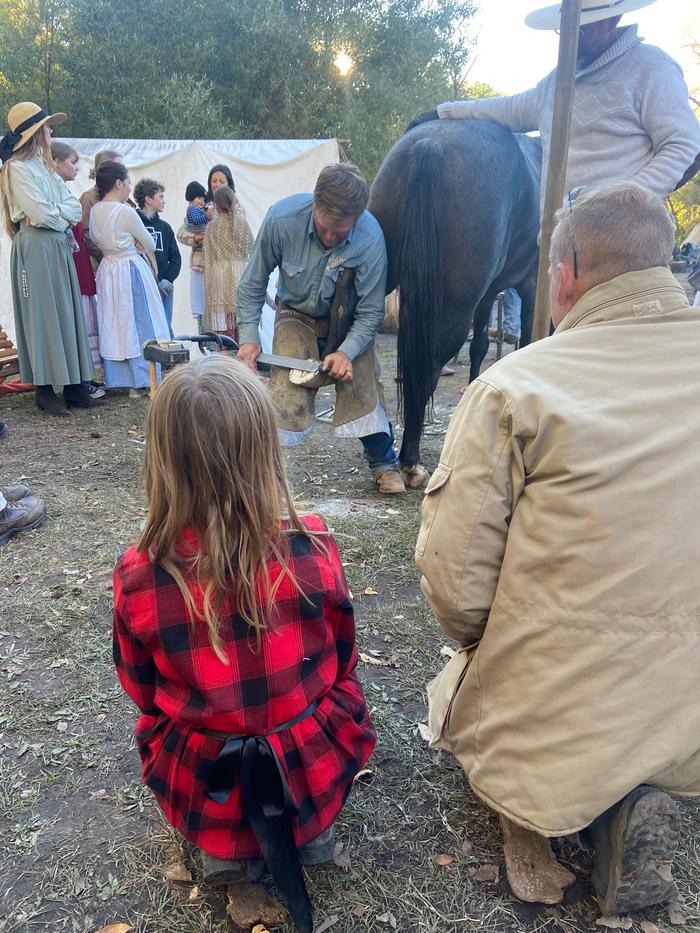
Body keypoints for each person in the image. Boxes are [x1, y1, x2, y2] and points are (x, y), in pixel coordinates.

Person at [417, 182, 700, 914]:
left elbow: (456, 587)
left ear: (566, 272)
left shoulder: (517, 388)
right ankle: (641, 788)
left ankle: (543, 806)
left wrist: (486, 647)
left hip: (559, 710)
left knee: (500, 701)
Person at [113, 355, 376, 933]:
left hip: (209, 770)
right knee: (327, 718)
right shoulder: (312, 542)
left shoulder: (140, 571)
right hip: (306, 758)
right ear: (264, 449)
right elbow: (343, 653)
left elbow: (142, 690)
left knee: (199, 768)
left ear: (163, 459)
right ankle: (312, 833)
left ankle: (229, 861)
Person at [236, 163, 405, 495]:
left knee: (364, 385)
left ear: (357, 218)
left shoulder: (371, 239)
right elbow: (252, 284)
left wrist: (346, 351)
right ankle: (269, 470)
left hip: (349, 322)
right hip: (296, 316)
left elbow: (371, 312)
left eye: (340, 232)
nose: (330, 237)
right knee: (284, 394)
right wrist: (249, 337)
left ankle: (384, 463)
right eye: (325, 227)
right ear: (315, 204)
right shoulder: (281, 220)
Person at [436, 0, 700, 204]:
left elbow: (683, 144)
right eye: (568, 29)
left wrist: (624, 199)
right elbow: (509, 109)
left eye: (585, 28)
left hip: (628, 246)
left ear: (613, 19)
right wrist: (448, 111)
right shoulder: (556, 82)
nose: (574, 37)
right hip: (561, 245)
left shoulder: (651, 66)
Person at [0, 101, 102, 417]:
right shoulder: (16, 169)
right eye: (46, 127)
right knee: (42, 313)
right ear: (34, 133)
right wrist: (54, 214)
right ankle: (45, 389)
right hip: (36, 248)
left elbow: (70, 209)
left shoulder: (44, 167)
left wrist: (53, 215)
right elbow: (40, 212)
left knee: (66, 310)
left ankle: (74, 386)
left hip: (56, 245)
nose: (51, 131)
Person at [89, 161, 169, 397]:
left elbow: (94, 238)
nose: (129, 188)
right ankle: (142, 378)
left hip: (108, 269)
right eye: (127, 183)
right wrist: (135, 244)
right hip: (129, 268)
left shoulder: (95, 210)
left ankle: (119, 377)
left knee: (114, 322)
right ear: (118, 183)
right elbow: (150, 243)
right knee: (137, 322)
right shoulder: (125, 211)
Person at [51, 141, 104, 395]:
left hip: (79, 263)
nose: (77, 167)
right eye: (72, 162)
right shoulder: (55, 192)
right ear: (56, 162)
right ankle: (78, 379)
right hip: (70, 262)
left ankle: (83, 375)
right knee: (78, 318)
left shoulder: (64, 192)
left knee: (84, 317)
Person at [202, 186, 254, 339]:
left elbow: (207, 257)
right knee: (242, 324)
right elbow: (250, 250)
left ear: (216, 205)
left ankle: (224, 357)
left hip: (218, 277)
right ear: (233, 201)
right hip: (239, 274)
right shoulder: (241, 223)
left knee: (222, 326)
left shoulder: (211, 227)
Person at [134, 178, 181, 337]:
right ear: (148, 199)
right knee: (144, 327)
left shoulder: (165, 228)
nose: (163, 201)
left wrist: (168, 279)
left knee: (165, 326)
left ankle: (168, 361)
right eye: (160, 196)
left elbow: (176, 259)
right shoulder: (133, 223)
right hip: (142, 285)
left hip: (164, 287)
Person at [80, 149, 127, 273]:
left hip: (122, 265)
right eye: (118, 166)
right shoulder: (88, 198)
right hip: (100, 267)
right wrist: (105, 256)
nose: (123, 170)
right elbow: (85, 233)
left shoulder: (123, 199)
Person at [177, 181, 209, 323]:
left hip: (216, 265)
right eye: (199, 198)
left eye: (203, 198)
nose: (202, 201)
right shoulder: (192, 210)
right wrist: (196, 237)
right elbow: (182, 233)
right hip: (201, 263)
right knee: (201, 305)